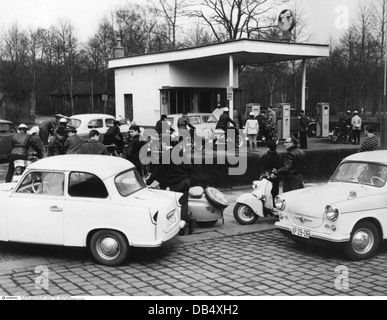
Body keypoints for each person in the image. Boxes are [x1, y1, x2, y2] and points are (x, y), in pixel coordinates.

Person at [146, 134, 193, 235]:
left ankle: (178, 228)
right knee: (184, 204)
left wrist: (147, 183)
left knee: (174, 206)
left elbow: (156, 173)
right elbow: (189, 167)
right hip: (185, 181)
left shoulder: (165, 155)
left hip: (176, 184)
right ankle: (184, 225)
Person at [259, 140, 282, 207]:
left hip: (266, 177)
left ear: (268, 148)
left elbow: (260, 165)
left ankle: (265, 206)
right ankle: (275, 206)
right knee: (275, 192)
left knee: (265, 192)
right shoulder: (279, 156)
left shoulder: (264, 157)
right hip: (275, 176)